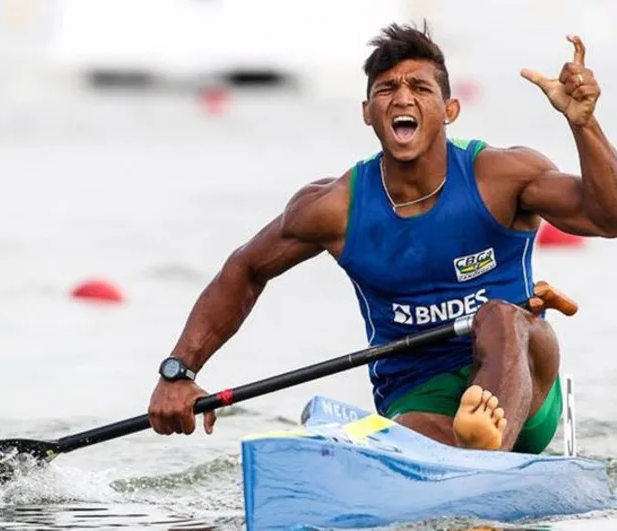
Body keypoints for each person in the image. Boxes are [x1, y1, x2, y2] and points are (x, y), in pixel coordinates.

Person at [148, 22, 617, 453]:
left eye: (419, 87)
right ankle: (462, 450)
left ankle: (484, 448)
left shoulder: (501, 176)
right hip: (420, 392)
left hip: (524, 378)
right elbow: (246, 268)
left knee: (500, 316)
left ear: (449, 109)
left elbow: (608, 219)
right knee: (388, 442)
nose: (402, 97)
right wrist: (180, 372)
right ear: (368, 112)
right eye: (387, 89)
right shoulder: (334, 208)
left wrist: (584, 123)